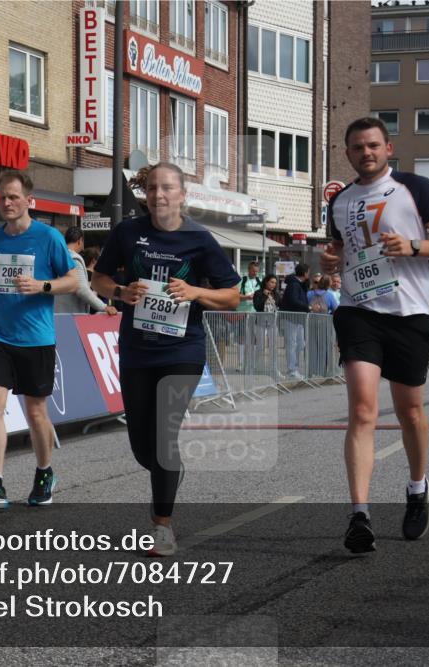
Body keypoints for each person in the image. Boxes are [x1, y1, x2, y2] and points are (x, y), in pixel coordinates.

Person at [322, 116, 429, 554]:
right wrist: (331, 260)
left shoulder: (415, 188)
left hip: (407, 314)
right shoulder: (340, 201)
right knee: (362, 409)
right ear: (347, 153)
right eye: (357, 147)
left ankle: (417, 488)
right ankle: (359, 515)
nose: (365, 152)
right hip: (358, 311)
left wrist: (415, 246)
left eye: (373, 145)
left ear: (388, 148)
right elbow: (340, 250)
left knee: (410, 412)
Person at [91, 163, 240, 556]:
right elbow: (98, 279)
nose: (159, 195)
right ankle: (167, 471)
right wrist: (121, 292)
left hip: (182, 351)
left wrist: (195, 292)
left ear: (182, 195)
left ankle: (162, 526)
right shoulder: (127, 232)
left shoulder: (200, 239)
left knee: (162, 437)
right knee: (143, 446)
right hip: (137, 350)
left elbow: (232, 295)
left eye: (168, 188)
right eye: (154, 188)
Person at [0, 171, 80, 511]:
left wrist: (42, 286)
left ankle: (45, 472)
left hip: (36, 337)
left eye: (13, 196)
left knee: (35, 411)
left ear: (29, 200)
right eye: (2, 196)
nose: (7, 202)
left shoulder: (48, 237)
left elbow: (73, 280)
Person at [53, 226, 118, 316]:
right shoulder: (74, 259)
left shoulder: (57, 256)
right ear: (80, 240)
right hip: (72, 316)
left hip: (56, 314)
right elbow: (82, 289)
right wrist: (104, 307)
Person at [280, 263, 311, 379]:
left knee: (300, 344)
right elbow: (293, 300)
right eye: (308, 272)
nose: (309, 274)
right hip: (291, 318)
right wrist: (308, 307)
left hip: (298, 319)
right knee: (292, 344)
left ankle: (294, 368)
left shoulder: (299, 284)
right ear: (305, 273)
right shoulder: (294, 285)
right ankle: (292, 369)